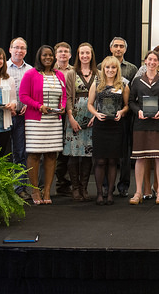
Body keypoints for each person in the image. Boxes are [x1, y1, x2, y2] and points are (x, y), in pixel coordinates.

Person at [19, 45, 67, 205]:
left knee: (51, 154)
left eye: (50, 55)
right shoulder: (31, 74)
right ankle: (35, 190)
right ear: (39, 57)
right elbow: (23, 96)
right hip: (35, 120)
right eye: (44, 55)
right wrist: (38, 106)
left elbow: (64, 95)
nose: (48, 58)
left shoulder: (59, 75)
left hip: (53, 120)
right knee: (34, 154)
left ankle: (47, 190)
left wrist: (63, 107)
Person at [128, 50, 159, 205]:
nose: (152, 62)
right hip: (141, 124)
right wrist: (138, 111)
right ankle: (138, 192)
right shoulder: (137, 81)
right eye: (150, 59)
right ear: (145, 61)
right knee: (140, 158)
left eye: (155, 60)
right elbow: (131, 102)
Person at [88, 56, 130, 206]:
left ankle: (110, 193)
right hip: (101, 126)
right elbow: (90, 104)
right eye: (107, 67)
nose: (110, 70)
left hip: (116, 126)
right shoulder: (97, 83)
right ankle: (100, 193)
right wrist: (96, 114)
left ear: (117, 69)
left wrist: (122, 112)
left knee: (113, 161)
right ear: (103, 69)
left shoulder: (123, 85)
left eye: (113, 68)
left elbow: (126, 105)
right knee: (99, 160)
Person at [64, 42, 97, 202]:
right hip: (74, 115)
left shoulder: (98, 73)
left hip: (92, 117)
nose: (85, 56)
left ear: (91, 55)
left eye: (87, 53)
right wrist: (70, 117)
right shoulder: (71, 73)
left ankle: (84, 187)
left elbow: (99, 97)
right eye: (82, 53)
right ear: (78, 55)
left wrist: (95, 115)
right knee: (73, 154)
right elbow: (68, 97)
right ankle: (75, 188)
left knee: (87, 154)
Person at [106, 37, 138, 198]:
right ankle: (106, 185)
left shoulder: (132, 69)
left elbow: (134, 92)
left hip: (125, 115)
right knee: (107, 152)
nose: (118, 49)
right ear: (111, 48)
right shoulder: (101, 66)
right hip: (105, 117)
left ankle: (124, 185)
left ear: (125, 50)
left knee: (125, 152)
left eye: (121, 46)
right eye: (116, 46)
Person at [7, 37, 33, 200]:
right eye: (16, 47)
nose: (19, 51)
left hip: (23, 117)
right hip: (4, 116)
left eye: (22, 48)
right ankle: (2, 187)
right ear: (10, 49)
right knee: (3, 153)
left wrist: (28, 105)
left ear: (26, 51)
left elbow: (34, 93)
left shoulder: (30, 70)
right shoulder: (2, 68)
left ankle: (19, 188)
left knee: (20, 153)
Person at [53, 42, 73, 197]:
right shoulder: (49, 71)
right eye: (60, 51)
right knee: (52, 149)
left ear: (70, 55)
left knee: (66, 151)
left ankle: (63, 184)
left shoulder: (74, 71)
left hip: (70, 113)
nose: (63, 54)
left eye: (66, 51)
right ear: (55, 54)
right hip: (53, 113)